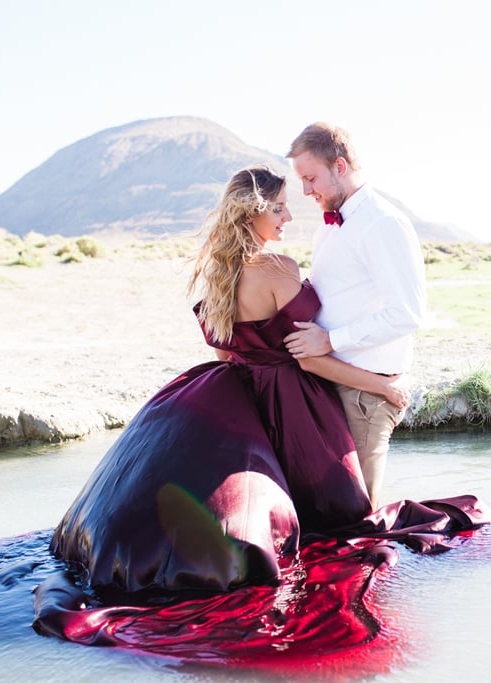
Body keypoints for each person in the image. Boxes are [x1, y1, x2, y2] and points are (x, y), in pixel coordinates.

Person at [46, 166, 411, 593]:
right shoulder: (278, 270)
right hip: (295, 400)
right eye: (278, 208)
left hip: (242, 391)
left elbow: (226, 353)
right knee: (341, 513)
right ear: (251, 212)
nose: (287, 218)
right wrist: (382, 385)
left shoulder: (217, 274)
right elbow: (308, 359)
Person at [284, 122, 427, 510]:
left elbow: (407, 314)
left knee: (360, 512)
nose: (306, 191)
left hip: (366, 395)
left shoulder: (383, 223)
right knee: (328, 510)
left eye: (311, 178)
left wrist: (330, 340)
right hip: (327, 382)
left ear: (340, 166)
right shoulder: (330, 228)